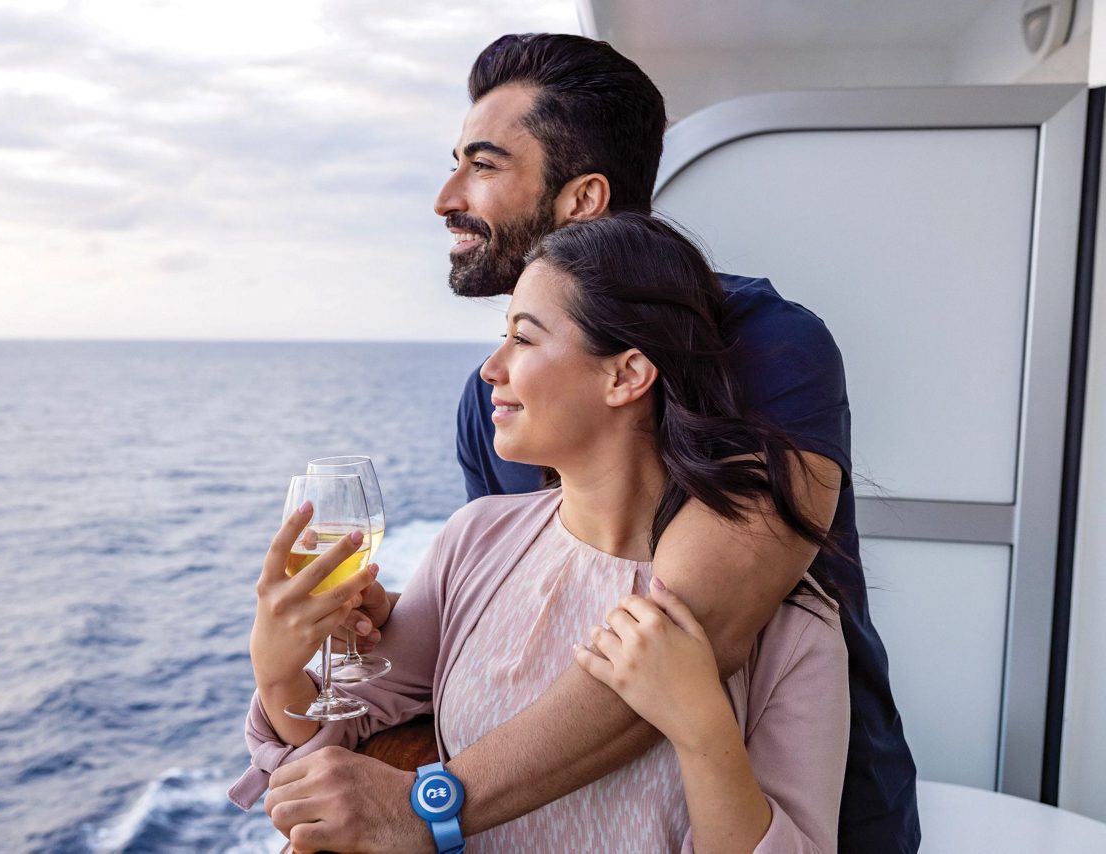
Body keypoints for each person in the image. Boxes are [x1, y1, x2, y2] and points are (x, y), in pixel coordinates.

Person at [231, 33, 920, 853]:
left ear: (583, 198)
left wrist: (426, 808)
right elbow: (507, 637)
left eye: (484, 165)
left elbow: (686, 639)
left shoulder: (770, 346)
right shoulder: (484, 427)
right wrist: (364, 642)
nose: (448, 195)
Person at [237, 213, 851, 851]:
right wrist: (279, 667)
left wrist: (700, 726)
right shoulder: (475, 540)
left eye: (523, 340)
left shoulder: (791, 627)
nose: (490, 369)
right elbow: (344, 741)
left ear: (626, 375)